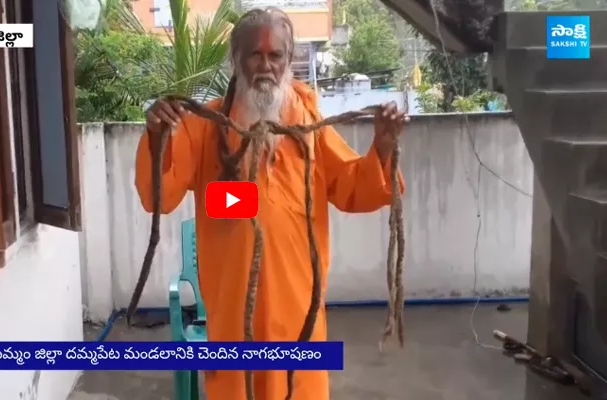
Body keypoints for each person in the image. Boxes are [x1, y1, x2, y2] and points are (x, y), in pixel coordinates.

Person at [134, 7, 408, 400]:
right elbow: (158, 195)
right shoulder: (204, 127)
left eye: (275, 55)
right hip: (232, 326)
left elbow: (353, 188)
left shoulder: (310, 124)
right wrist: (157, 134)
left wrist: (382, 144)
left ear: (289, 59)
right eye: (255, 54)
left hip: (300, 322)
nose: (266, 65)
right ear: (236, 59)